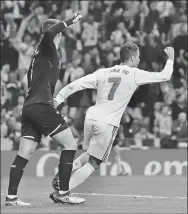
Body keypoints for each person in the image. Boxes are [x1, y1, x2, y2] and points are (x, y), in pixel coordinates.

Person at [50, 44, 174, 203]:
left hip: (91, 117)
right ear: (131, 58)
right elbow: (165, 76)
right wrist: (170, 58)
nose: (139, 59)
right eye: (138, 56)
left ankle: (66, 170)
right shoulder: (134, 74)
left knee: (89, 154)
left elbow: (76, 84)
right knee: (94, 162)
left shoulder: (103, 72)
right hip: (107, 123)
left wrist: (58, 99)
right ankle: (63, 192)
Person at [5, 13, 85, 206]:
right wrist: (70, 21)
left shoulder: (44, 55)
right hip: (40, 106)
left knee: (26, 151)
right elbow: (49, 33)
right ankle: (63, 193)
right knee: (70, 144)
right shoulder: (46, 47)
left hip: (31, 107)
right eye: (59, 30)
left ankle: (11, 197)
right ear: (56, 32)